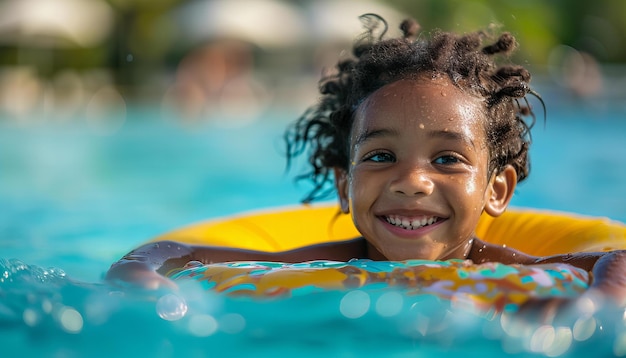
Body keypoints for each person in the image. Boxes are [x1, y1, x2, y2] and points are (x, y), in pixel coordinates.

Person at [106, 14, 625, 310]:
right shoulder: (319, 265)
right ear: (343, 183)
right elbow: (167, 253)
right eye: (380, 156)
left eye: (447, 159)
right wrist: (148, 285)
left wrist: (601, 302)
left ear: (497, 190)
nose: (411, 181)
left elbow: (618, 262)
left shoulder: (514, 270)